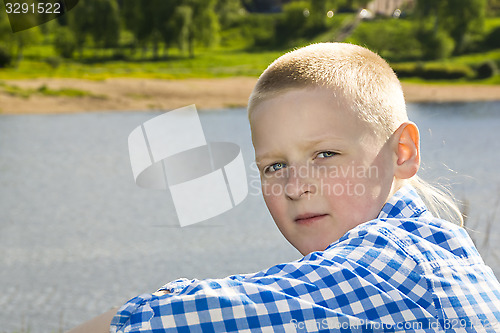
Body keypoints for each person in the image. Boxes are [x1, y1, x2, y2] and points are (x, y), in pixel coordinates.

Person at [69, 43, 500, 332]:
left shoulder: (392, 265)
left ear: (401, 152)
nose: (295, 187)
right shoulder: (451, 253)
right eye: (274, 166)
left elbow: (186, 318)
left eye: (325, 155)